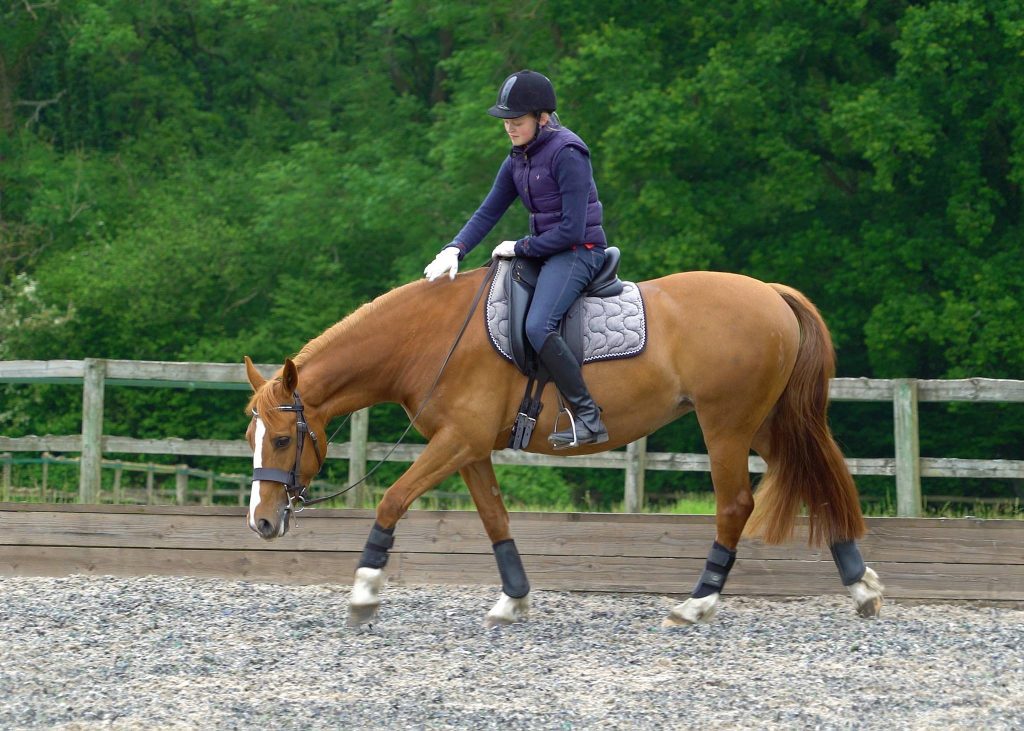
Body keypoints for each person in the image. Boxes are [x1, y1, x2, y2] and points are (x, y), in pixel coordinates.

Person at [423, 69, 609, 448]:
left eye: (517, 121)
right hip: (546, 251)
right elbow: (487, 212)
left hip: (579, 252)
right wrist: (454, 248)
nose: (509, 128)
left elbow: (573, 230)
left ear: (542, 118)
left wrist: (520, 247)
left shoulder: (569, 153)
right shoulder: (518, 160)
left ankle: (588, 416)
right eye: (506, 122)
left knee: (539, 326)